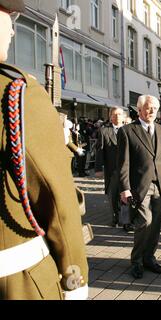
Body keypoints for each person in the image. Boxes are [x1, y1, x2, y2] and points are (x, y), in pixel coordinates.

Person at [0, 0, 88, 299]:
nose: (12, 31)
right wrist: (75, 283)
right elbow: (58, 203)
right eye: (7, 17)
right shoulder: (17, 95)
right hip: (15, 283)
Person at [117, 95, 161, 279]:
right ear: (139, 110)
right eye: (148, 107)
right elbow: (123, 163)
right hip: (139, 186)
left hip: (160, 186)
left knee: (156, 224)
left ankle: (149, 258)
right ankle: (136, 261)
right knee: (144, 222)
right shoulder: (127, 131)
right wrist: (125, 188)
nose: (152, 111)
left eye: (155, 107)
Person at [95, 107, 133, 231]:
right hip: (112, 169)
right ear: (110, 116)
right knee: (113, 195)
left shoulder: (130, 130)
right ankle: (115, 218)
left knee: (126, 194)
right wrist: (98, 169)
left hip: (127, 169)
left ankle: (126, 221)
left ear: (123, 116)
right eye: (114, 114)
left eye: (120, 114)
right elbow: (99, 151)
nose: (117, 117)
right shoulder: (104, 131)